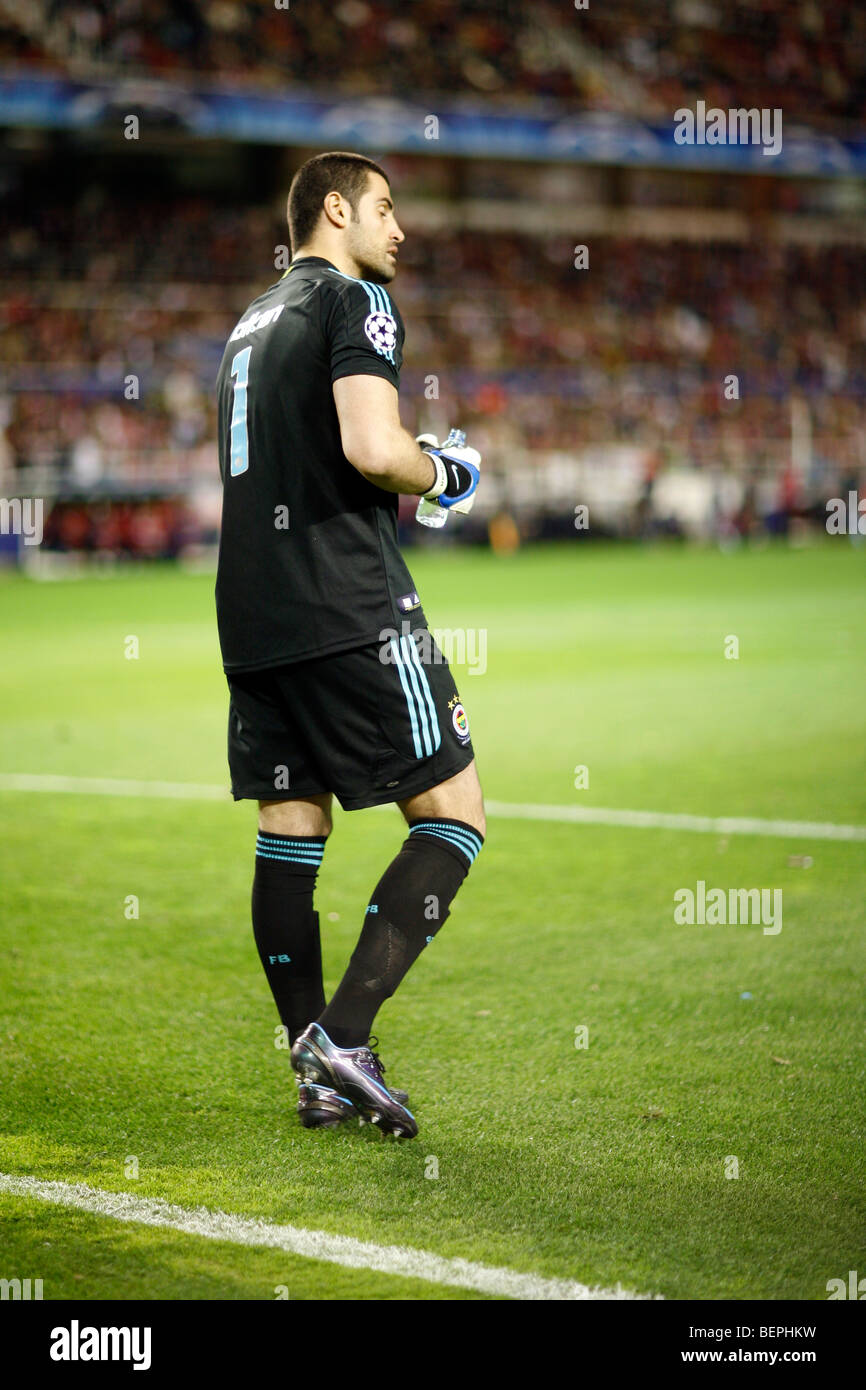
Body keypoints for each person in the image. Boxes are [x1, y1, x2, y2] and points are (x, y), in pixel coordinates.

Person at [214, 151, 486, 1139]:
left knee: (292, 828)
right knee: (451, 812)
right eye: (384, 207)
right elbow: (372, 448)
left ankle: (312, 1067)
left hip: (251, 615)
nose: (398, 230)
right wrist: (445, 475)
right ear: (335, 210)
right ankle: (346, 1035)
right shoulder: (354, 298)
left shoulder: (247, 324)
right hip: (344, 607)